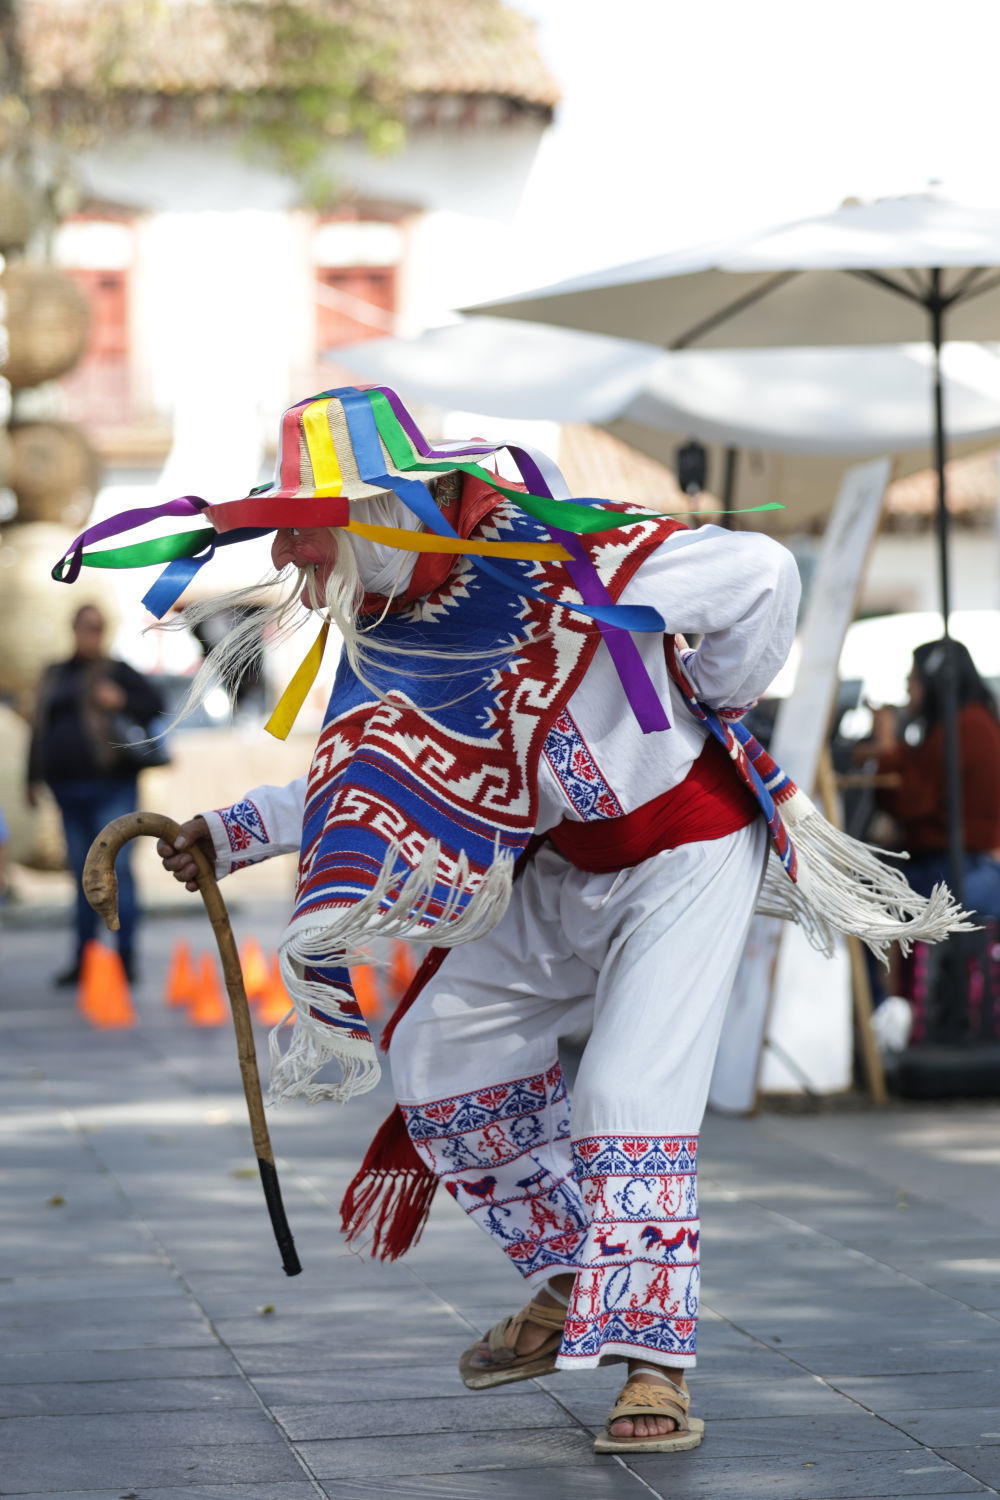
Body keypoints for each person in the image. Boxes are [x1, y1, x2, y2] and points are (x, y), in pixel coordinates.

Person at [54, 387, 961, 1455]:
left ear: (381, 512)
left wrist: (712, 692)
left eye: (305, 531)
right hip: (552, 866)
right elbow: (361, 772)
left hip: (686, 852)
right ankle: (578, 1277)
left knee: (627, 1091)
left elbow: (761, 575)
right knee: (441, 1050)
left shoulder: (565, 560)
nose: (291, 558)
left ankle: (654, 1362)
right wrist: (229, 829)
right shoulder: (392, 626)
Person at [27, 603, 164, 983]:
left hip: (112, 788)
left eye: (98, 627)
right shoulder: (56, 674)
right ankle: (86, 960)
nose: (92, 634)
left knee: (118, 872)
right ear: (74, 629)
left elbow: (156, 704)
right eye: (87, 627)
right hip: (68, 791)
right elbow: (39, 728)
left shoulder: (117, 671)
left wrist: (121, 700)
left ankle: (124, 959)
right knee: (82, 876)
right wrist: (31, 779)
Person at [867, 638, 1000, 918]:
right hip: (962, 863)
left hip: (961, 869)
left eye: (914, 678)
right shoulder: (969, 722)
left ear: (935, 682)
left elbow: (909, 802)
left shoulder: (963, 727)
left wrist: (887, 745)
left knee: (864, 897)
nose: (907, 686)